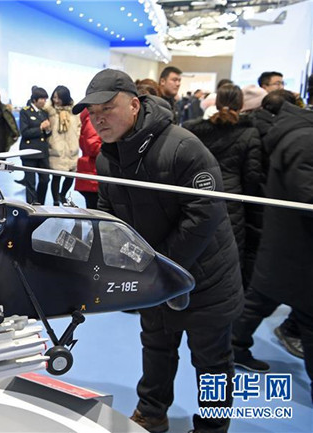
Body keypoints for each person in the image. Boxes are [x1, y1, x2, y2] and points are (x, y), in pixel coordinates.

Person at [73, 69, 242, 433]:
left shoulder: (182, 146)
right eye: (92, 112)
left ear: (134, 105)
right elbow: (110, 215)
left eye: (107, 108)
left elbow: (205, 213)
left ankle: (212, 428)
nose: (98, 118)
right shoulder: (107, 158)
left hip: (204, 277)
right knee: (156, 346)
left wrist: (159, 265)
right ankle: (152, 412)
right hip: (153, 275)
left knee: (212, 361)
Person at [231, 100, 313, 402]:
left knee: (261, 300)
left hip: (289, 240)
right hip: (295, 242)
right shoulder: (304, 139)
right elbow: (306, 194)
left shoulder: (297, 134)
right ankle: (232, 346)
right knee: (269, 302)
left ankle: (233, 346)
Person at [184, 84, 264, 289]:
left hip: (198, 193)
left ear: (217, 102)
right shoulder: (249, 133)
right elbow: (252, 176)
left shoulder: (194, 130)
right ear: (241, 104)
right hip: (233, 200)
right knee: (230, 253)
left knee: (198, 247)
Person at [43, 85, 80, 206]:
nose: (56, 100)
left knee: (71, 175)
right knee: (56, 177)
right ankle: (55, 201)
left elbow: (79, 126)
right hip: (56, 148)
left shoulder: (74, 111)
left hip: (71, 148)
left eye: (59, 98)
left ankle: (62, 194)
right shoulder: (50, 111)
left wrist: (76, 137)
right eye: (54, 97)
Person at [19, 87, 51, 205]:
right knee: (30, 182)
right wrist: (40, 128)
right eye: (42, 99)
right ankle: (32, 206)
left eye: (45, 99)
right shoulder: (25, 112)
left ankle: (41, 204)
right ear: (35, 99)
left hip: (42, 152)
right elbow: (25, 132)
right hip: (29, 152)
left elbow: (47, 133)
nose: (44, 101)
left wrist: (48, 130)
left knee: (45, 179)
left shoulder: (44, 113)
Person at [74, 108, 101, 209]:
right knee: (98, 214)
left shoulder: (95, 116)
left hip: (93, 174)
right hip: (93, 174)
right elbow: (93, 147)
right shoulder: (93, 117)